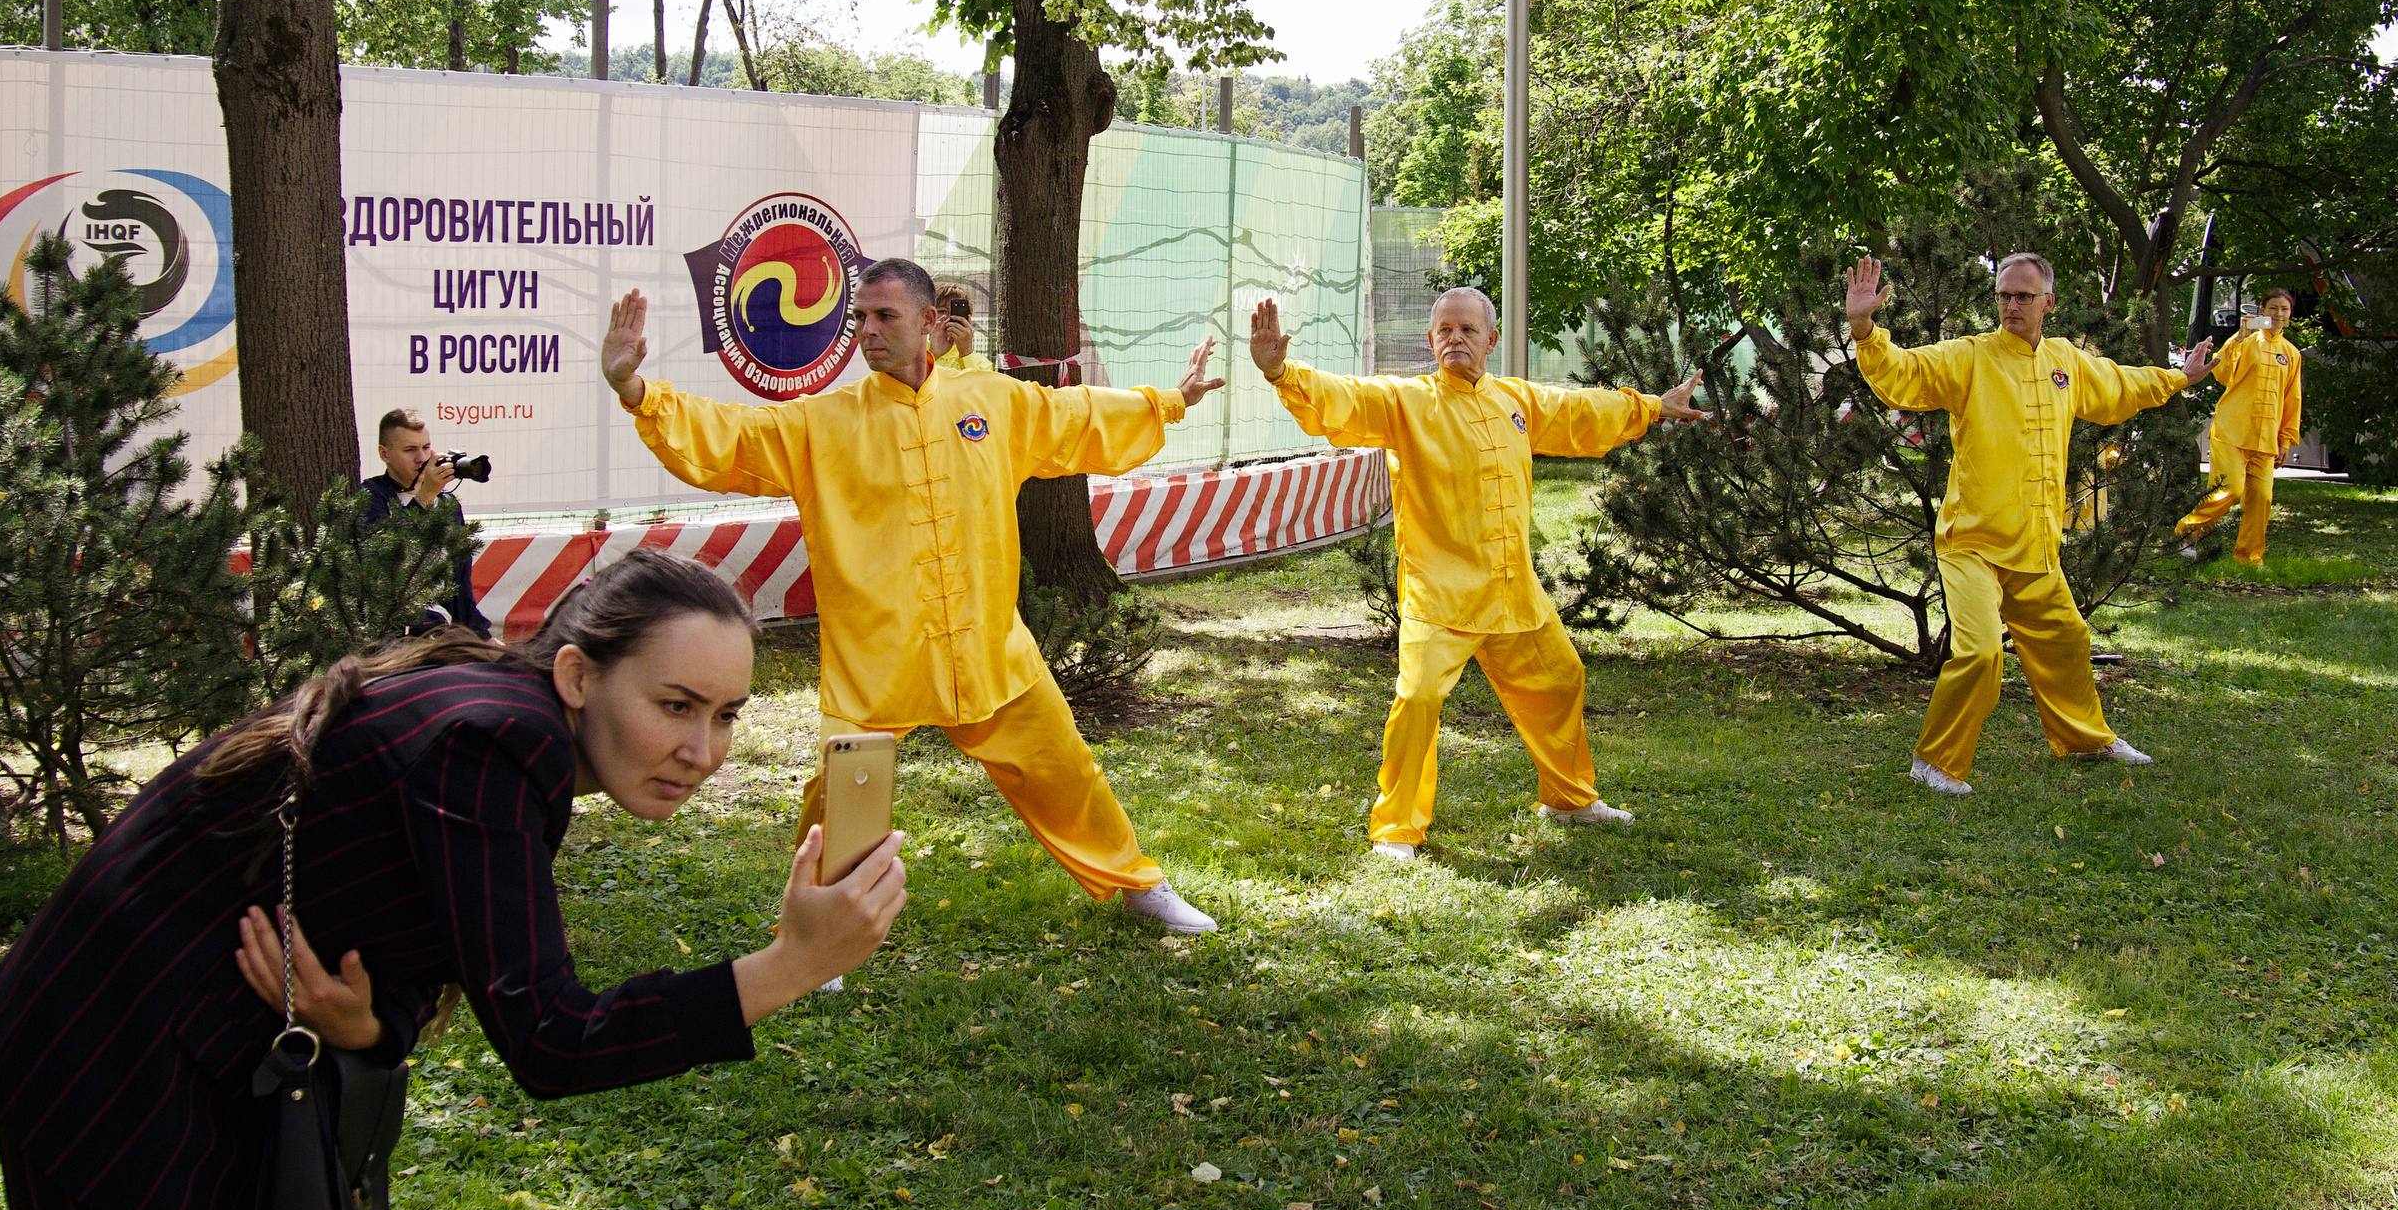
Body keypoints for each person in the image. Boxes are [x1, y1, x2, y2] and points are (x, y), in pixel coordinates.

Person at [0, 553, 903, 1210]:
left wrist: (371, 1027)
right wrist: (788, 967)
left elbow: (418, 923)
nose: (703, 752)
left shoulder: (503, 719)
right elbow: (552, 1041)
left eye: (727, 715)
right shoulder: (498, 737)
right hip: (101, 1075)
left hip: (197, 1071)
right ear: (578, 673)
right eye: (675, 706)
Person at [603, 259, 1228, 932]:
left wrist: (1172, 400)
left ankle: (1137, 885)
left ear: (929, 323)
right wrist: (637, 390)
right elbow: (733, 435)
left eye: (884, 317)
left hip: (990, 650)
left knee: (1066, 769)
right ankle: (822, 925)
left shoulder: (991, 401)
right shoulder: (824, 423)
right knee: (842, 793)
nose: (867, 332)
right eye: (859, 319)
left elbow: (1075, 416)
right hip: (878, 662)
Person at [1249, 288, 1711, 856]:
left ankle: (1568, 799)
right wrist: (1280, 371)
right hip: (1440, 595)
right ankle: (1397, 829)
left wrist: (1654, 406)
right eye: (1444, 330)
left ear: (1491, 340)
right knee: (1417, 700)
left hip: (1513, 591)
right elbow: (1344, 397)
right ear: (1430, 341)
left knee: (1561, 680)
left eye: (1468, 330)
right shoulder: (1406, 401)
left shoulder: (1516, 401)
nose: (1455, 339)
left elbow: (1583, 412)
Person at [1844, 252, 2214, 795]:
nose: (2011, 305)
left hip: (2037, 547)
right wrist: (1863, 328)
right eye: (2003, 296)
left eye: (2022, 296)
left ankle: (2086, 737)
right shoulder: (1971, 356)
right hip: (1971, 543)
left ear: (2049, 303)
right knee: (1981, 652)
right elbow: (1904, 374)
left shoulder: (2067, 361)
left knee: (2066, 639)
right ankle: (1934, 760)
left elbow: (2121, 388)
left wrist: (2178, 378)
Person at [2177, 288, 2302, 564]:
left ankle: (2249, 557)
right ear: (2262, 311)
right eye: (2273, 308)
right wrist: (2238, 338)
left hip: (2266, 438)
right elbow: (2221, 373)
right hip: (2232, 431)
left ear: (2290, 315)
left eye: (2284, 309)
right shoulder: (2245, 341)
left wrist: (2285, 441)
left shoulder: (2291, 354)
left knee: (2261, 500)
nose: (2278, 314)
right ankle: (2187, 532)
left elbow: (2292, 399)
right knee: (2229, 490)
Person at [357, 408, 491, 636]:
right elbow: (387, 561)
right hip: (392, 629)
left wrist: (483, 639)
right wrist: (424, 497)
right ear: (384, 453)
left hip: (443, 624)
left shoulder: (446, 503)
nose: (421, 458)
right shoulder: (371, 496)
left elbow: (460, 587)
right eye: (409, 450)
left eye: (426, 448)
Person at [930, 282, 978, 370]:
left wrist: (966, 352)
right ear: (929, 316)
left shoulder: (981, 363)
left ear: (968, 318)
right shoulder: (913, 353)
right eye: (942, 311)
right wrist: (933, 354)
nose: (949, 318)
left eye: (956, 312)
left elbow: (978, 383)